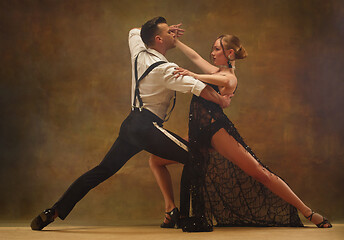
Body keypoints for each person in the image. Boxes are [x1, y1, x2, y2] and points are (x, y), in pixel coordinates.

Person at [30, 16, 232, 231]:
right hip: (147, 127)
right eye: (167, 33)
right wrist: (222, 100)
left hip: (130, 125)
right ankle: (190, 219)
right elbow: (199, 88)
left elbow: (134, 31)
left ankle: (55, 211)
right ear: (158, 39)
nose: (172, 35)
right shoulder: (165, 69)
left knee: (103, 170)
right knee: (196, 156)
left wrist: (160, 29)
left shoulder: (138, 52)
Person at [149, 32, 332, 231]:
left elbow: (222, 82)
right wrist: (176, 42)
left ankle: (307, 212)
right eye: (213, 49)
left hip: (215, 131)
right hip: (197, 134)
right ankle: (171, 209)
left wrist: (193, 75)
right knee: (156, 160)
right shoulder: (216, 71)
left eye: (217, 49)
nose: (212, 53)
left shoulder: (229, 77)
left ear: (230, 53)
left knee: (261, 173)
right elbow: (194, 57)